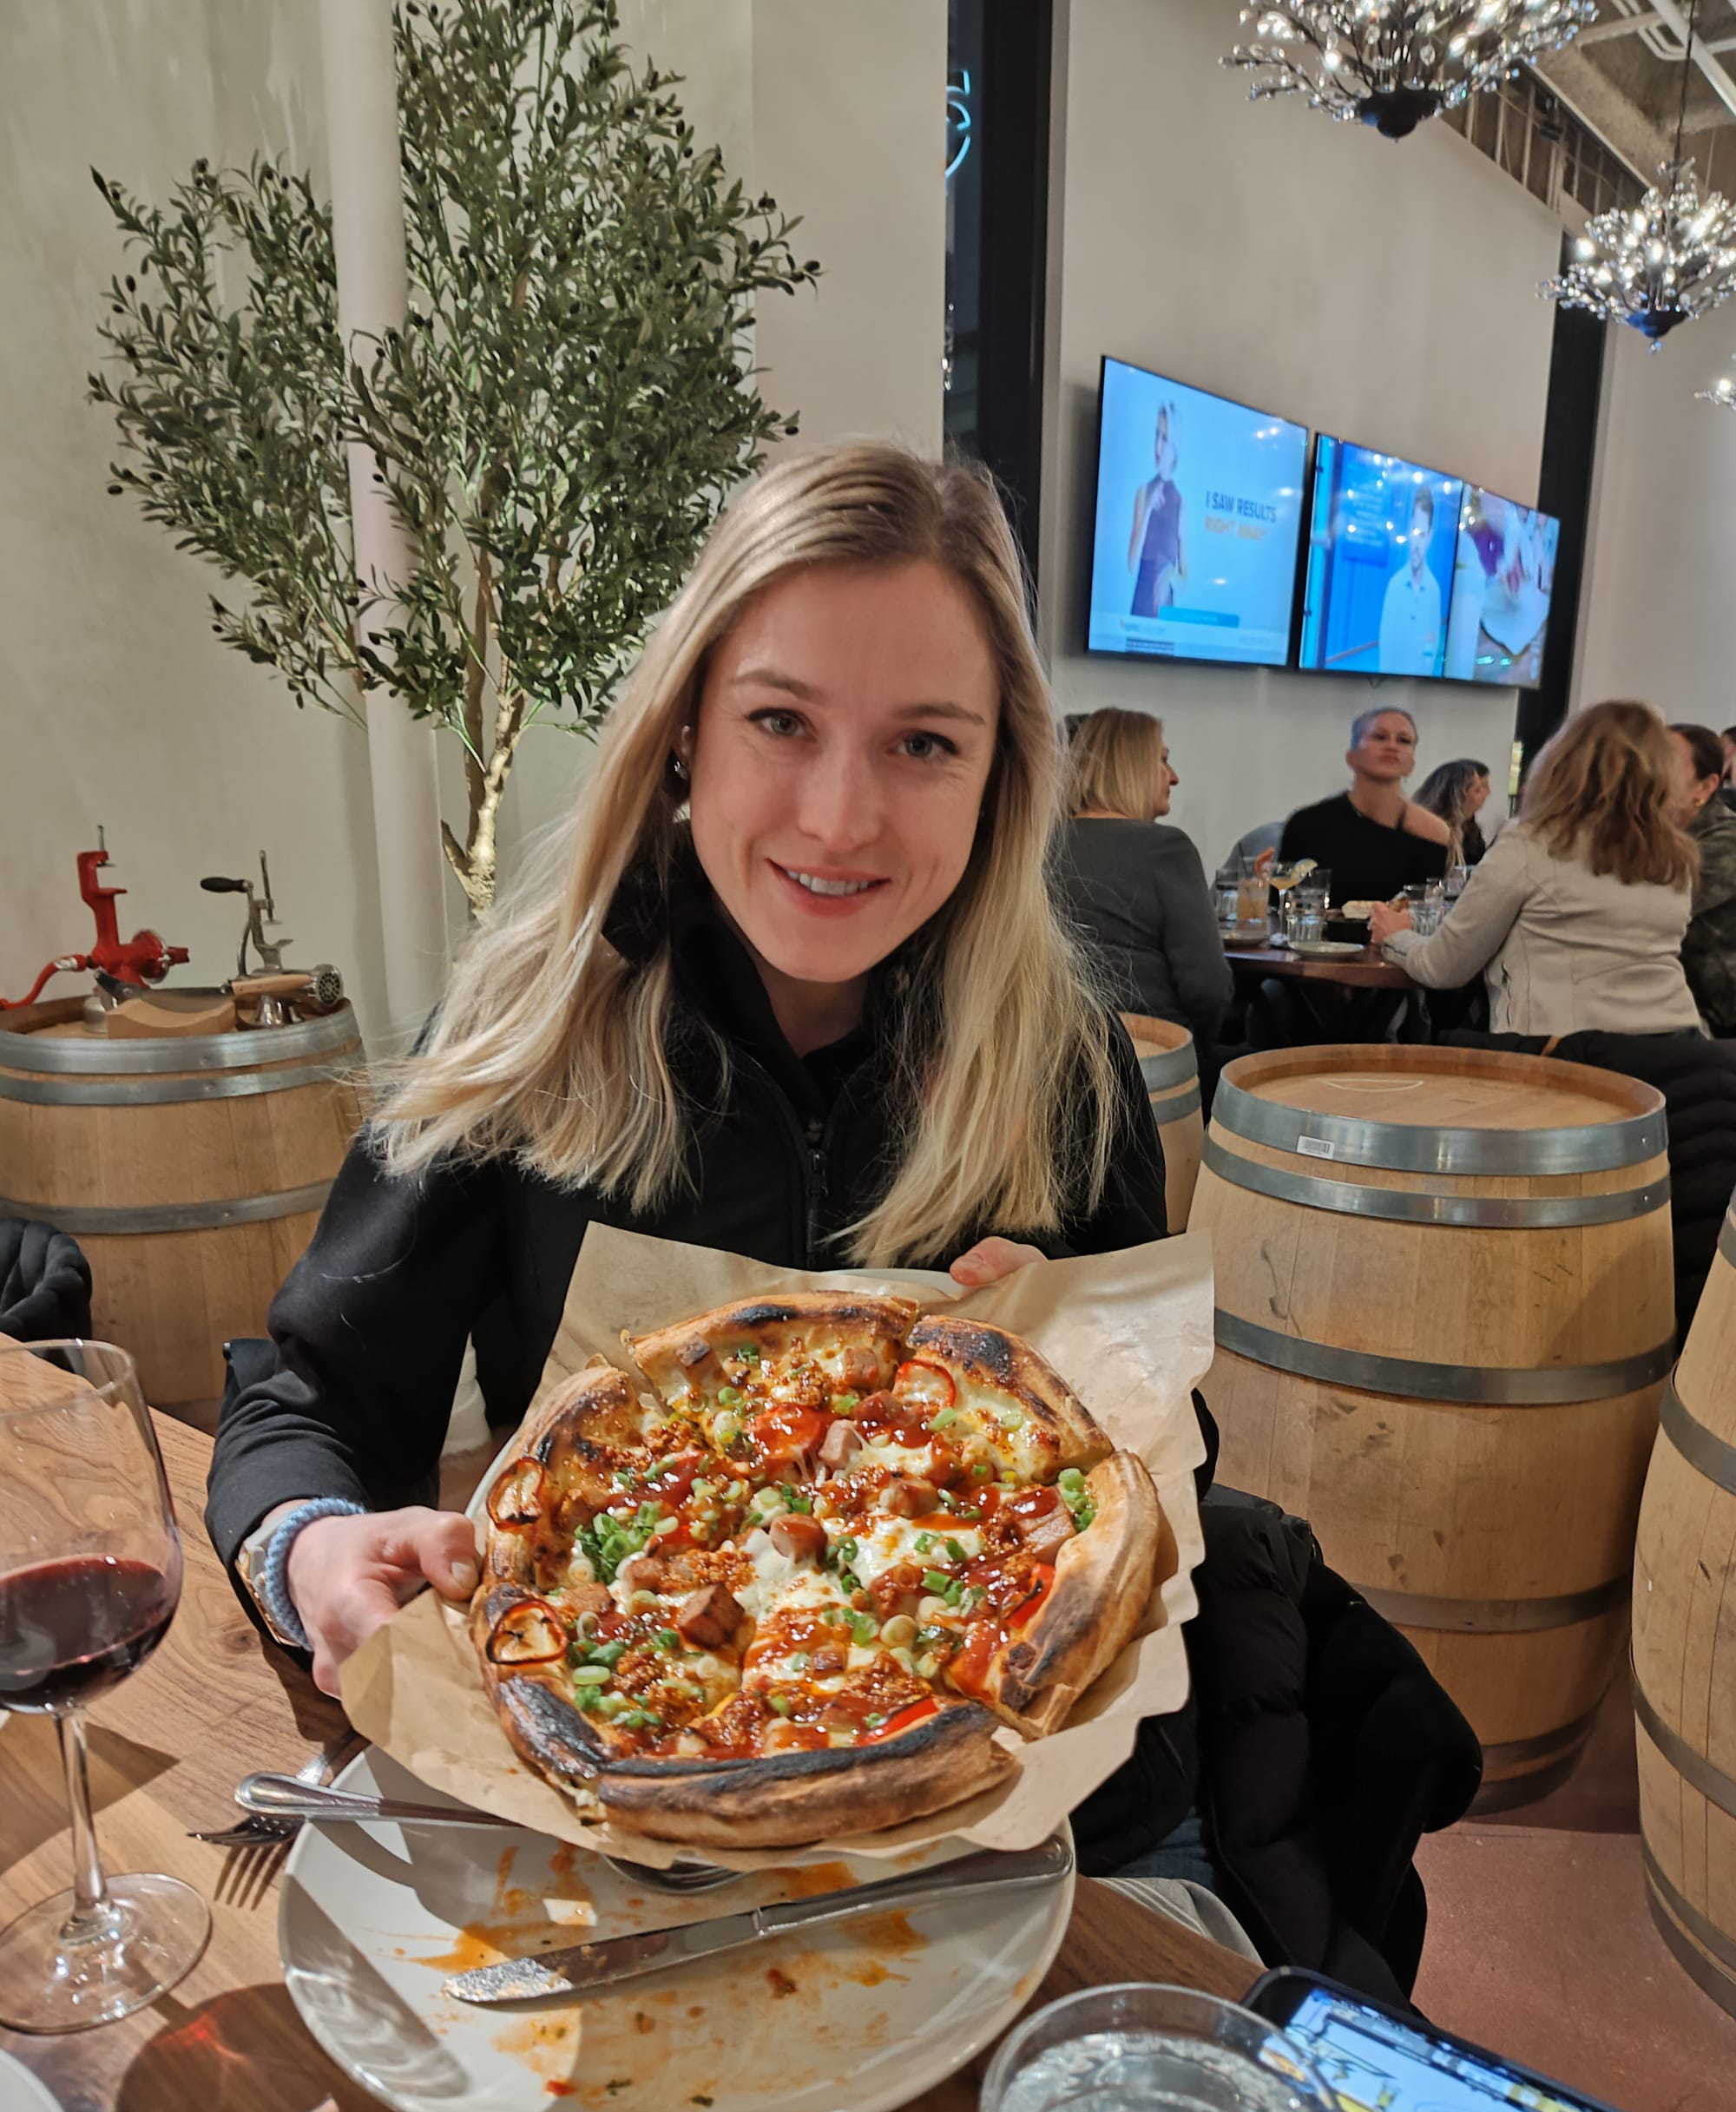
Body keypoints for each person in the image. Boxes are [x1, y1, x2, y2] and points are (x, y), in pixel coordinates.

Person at [205, 446, 1171, 1697]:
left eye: (924, 742)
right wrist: (313, 1547)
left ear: (999, 783)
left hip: (1003, 1773)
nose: (837, 817)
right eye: (781, 720)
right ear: (683, 732)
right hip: (629, 1727)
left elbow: (1167, 1459)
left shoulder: (1063, 1054)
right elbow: (306, 1403)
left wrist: (1086, 1381)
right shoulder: (530, 1028)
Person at [1370, 701, 1701, 1037]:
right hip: (1674, 1048)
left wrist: (1394, 936)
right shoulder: (1675, 855)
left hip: (1565, 1057)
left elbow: (1444, 968)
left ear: (1562, 758)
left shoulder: (1532, 842)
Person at [1055, 707, 1233, 1043]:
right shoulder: (1167, 849)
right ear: (1132, 767)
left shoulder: (1035, 844)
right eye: (1162, 760)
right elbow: (1207, 986)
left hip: (1051, 1057)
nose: (1174, 776)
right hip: (1151, 1058)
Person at [1279, 707, 1450, 906]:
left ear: (1411, 764)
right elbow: (1280, 906)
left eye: (1403, 740)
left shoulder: (1431, 832)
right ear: (1352, 757)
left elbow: (1423, 914)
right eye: (1380, 737)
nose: (1392, 746)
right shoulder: (1307, 824)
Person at [1672, 722, 1736, 1037]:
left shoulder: (1727, 842)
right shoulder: (1663, 835)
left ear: (1706, 786)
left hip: (1721, 1019)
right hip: (1681, 1009)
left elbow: (1662, 904)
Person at [1376, 483, 1443, 677]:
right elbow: (1385, 648)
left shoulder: (1434, 591)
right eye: (1414, 532)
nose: (1417, 544)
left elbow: (1432, 646)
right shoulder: (1394, 586)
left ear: (1429, 538)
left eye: (1422, 535)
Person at [1127, 402, 1186, 620]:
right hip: (1138, 613)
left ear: (1175, 447)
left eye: (1165, 439)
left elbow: (1185, 580)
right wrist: (1149, 509)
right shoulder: (1143, 492)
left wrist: (1170, 575)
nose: (1158, 447)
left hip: (1166, 619)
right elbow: (1132, 564)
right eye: (1157, 436)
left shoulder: (1180, 503)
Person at [1411, 757, 1491, 868]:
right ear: (1458, 796)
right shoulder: (1430, 832)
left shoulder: (1471, 829)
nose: (1488, 793)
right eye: (1478, 790)